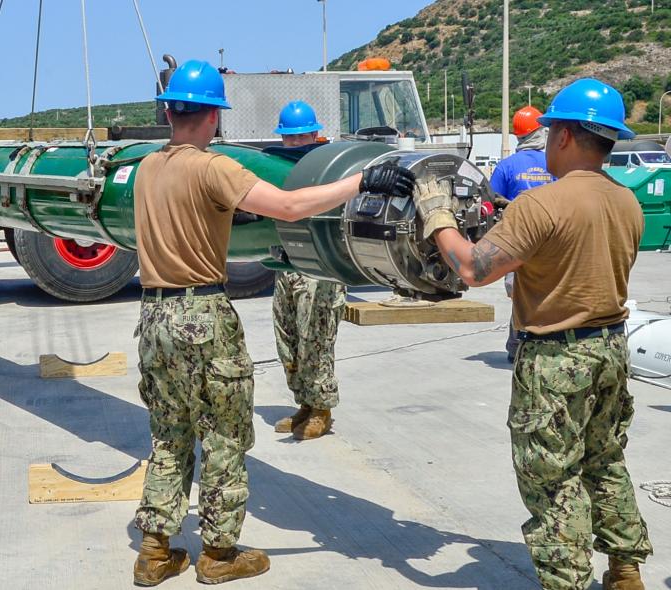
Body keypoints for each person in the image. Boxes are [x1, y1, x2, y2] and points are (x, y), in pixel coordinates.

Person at [131, 59, 415, 586]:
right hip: (202, 315)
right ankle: (218, 554)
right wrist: (360, 181)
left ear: (169, 110)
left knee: (168, 433)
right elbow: (287, 207)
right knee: (223, 433)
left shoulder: (148, 167)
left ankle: (154, 550)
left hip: (152, 316)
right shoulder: (215, 168)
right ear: (215, 118)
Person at [415, 78, 652, 590]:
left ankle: (566, 580)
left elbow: (474, 269)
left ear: (564, 136)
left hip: (554, 359)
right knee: (605, 457)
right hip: (610, 348)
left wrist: (438, 220)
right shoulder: (626, 202)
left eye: (549, 132)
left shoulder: (541, 206)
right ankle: (625, 567)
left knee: (552, 480)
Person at [263, 101, 346, 440]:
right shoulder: (279, 167)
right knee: (288, 339)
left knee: (316, 338)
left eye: (301, 137)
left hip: (320, 269)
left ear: (315, 133)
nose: (296, 143)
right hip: (288, 265)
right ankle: (305, 403)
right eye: (290, 138)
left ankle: (322, 408)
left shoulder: (330, 168)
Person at [491, 105, 556, 362]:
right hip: (552, 242)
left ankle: (517, 344)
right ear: (541, 132)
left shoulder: (506, 166)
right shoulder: (556, 164)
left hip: (516, 244)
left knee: (520, 295)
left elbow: (489, 202)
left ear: (518, 136)